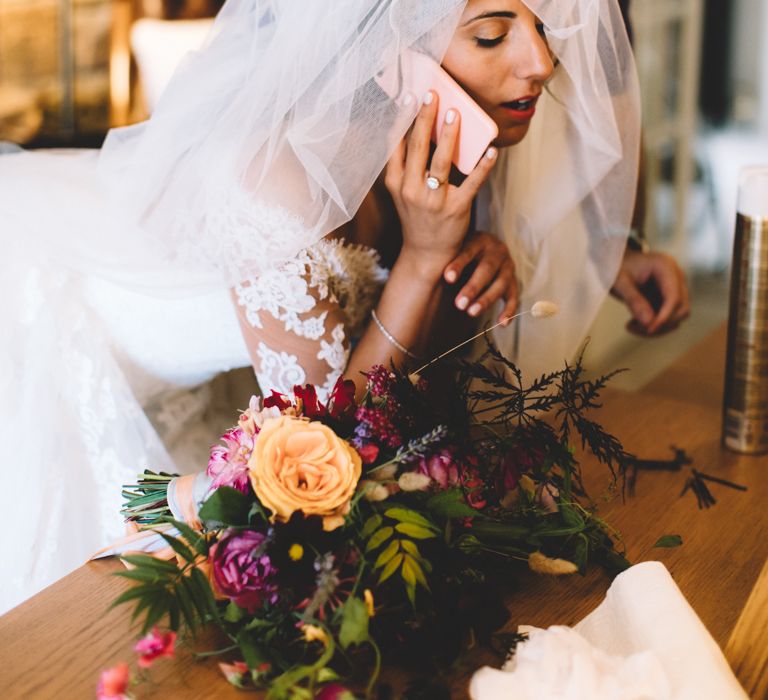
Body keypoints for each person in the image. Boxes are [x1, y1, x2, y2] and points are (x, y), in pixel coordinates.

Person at [0, 0, 685, 613]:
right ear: (393, 56)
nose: (539, 62)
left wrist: (601, 256)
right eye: (491, 35)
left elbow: (424, 390)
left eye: (540, 24)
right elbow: (319, 452)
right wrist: (423, 259)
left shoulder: (453, 140)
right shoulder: (276, 182)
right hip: (41, 289)